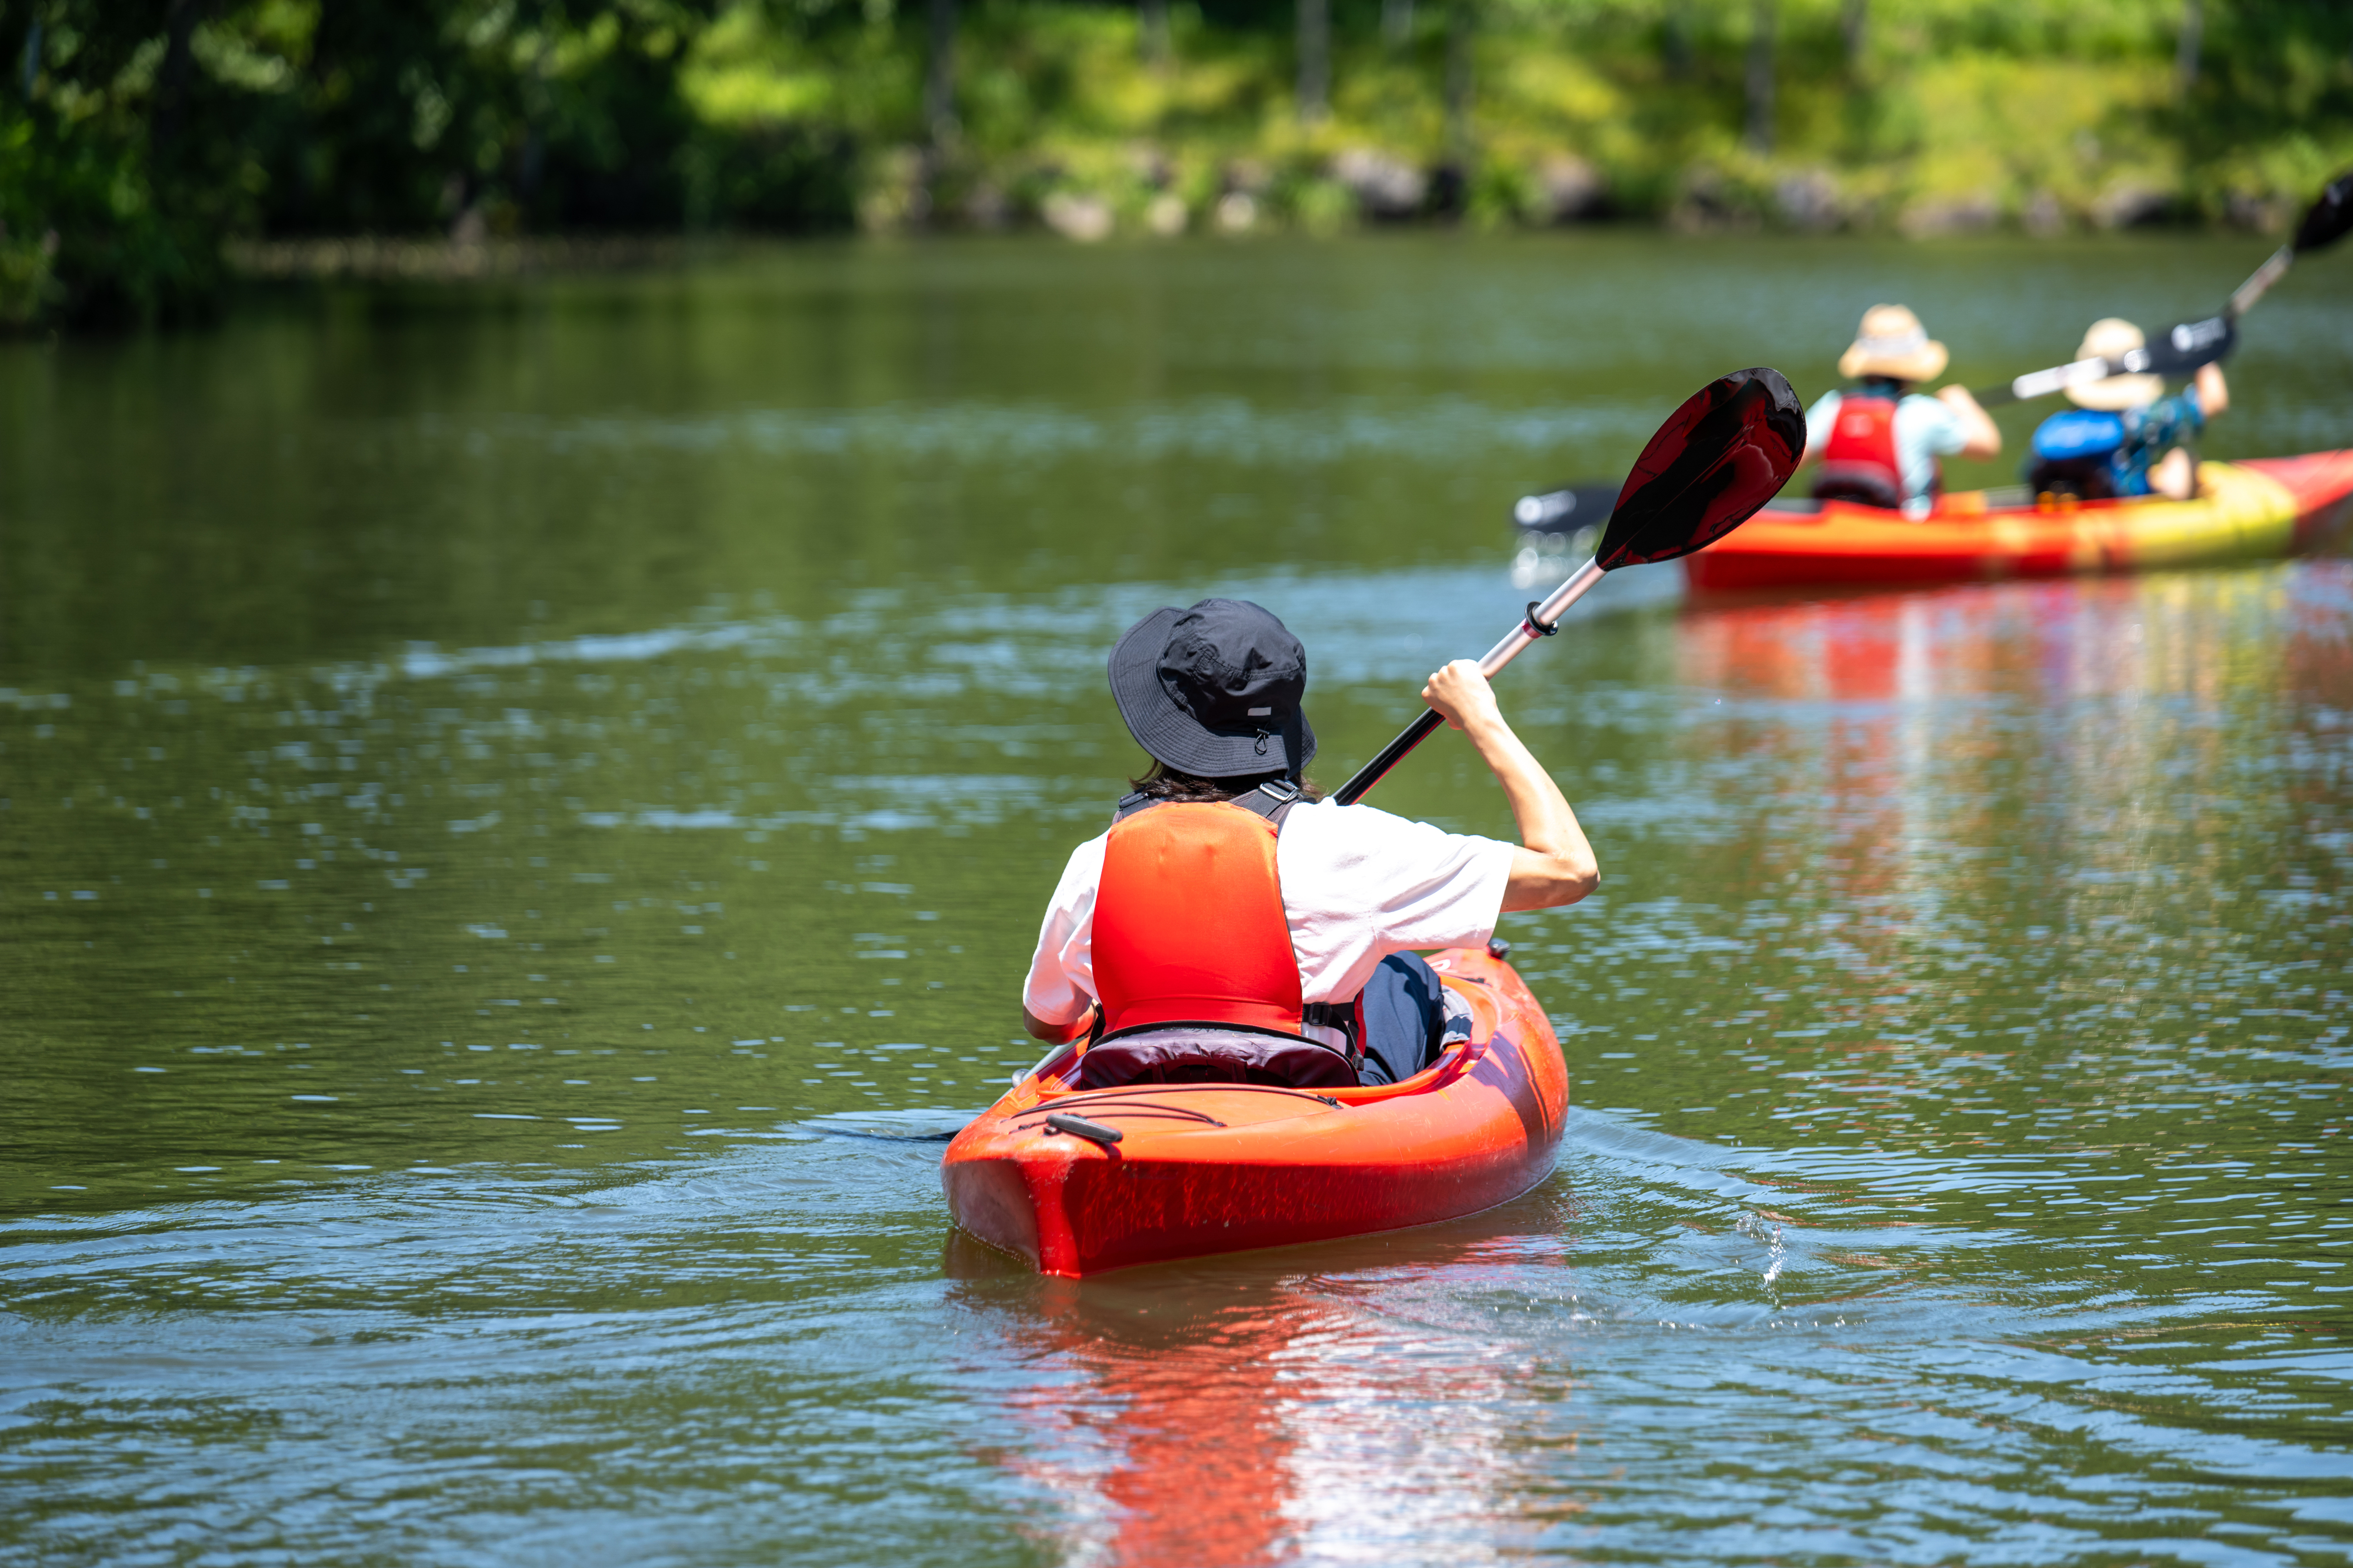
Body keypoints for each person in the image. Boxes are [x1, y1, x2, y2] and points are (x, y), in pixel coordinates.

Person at [1021, 598, 1597, 1091]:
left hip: (1134, 1096)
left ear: (1165, 721)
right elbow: (1569, 869)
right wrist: (1480, 716)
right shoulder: (1351, 847)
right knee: (1403, 973)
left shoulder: (1096, 859)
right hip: (1304, 1097)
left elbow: (1047, 1020)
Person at [1800, 303, 2001, 515]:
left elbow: (1793, 460)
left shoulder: (1832, 405)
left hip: (1839, 530)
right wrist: (1963, 404)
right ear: (1912, 370)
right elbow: (1989, 446)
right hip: (1905, 530)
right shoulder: (1924, 412)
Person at [2025, 317, 2229, 502]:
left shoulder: (2056, 425)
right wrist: (2204, 355)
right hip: (2126, 514)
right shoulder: (2145, 420)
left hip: (2072, 506)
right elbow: (2214, 402)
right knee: (2180, 461)